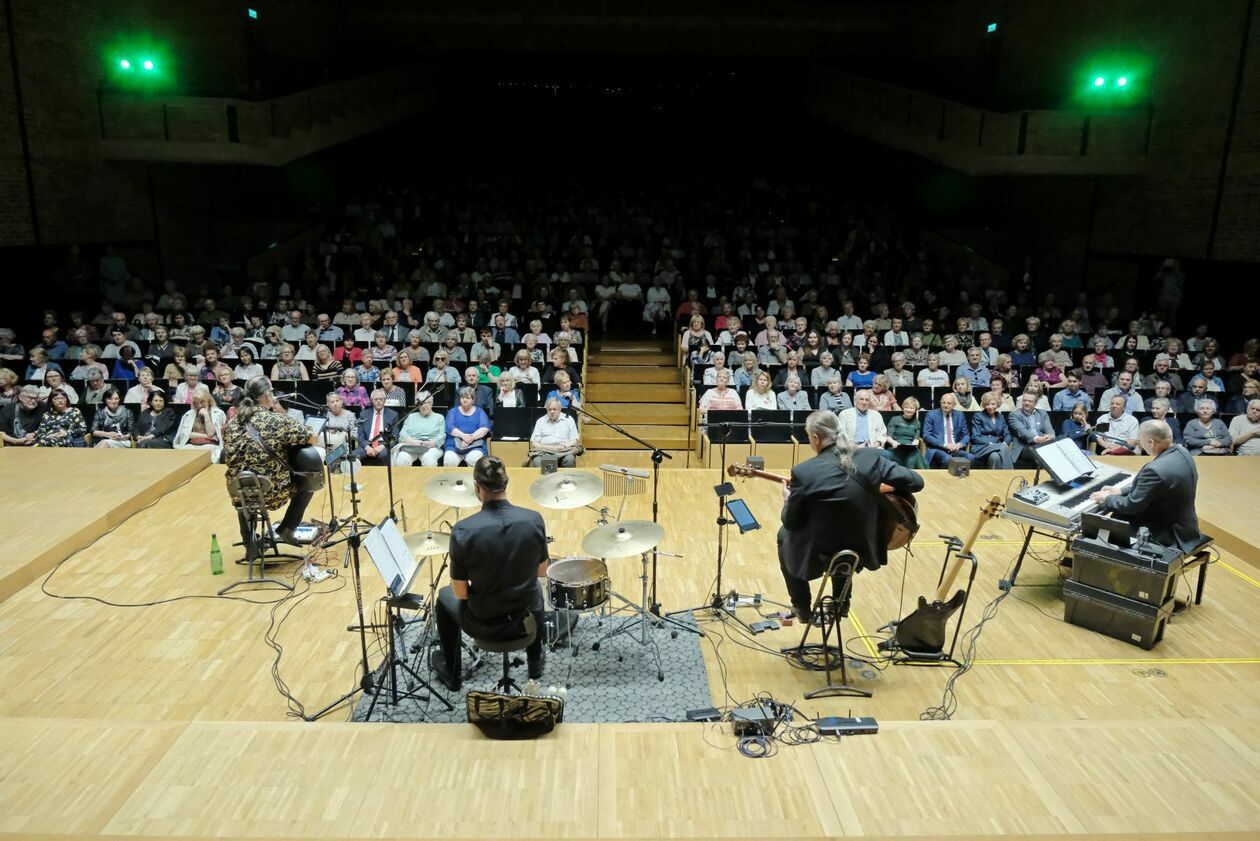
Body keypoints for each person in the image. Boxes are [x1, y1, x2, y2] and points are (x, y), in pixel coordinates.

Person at [777, 410, 923, 623]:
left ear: (816, 438)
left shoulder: (804, 472)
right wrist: (878, 487)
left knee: (783, 534)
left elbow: (790, 521)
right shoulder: (871, 457)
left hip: (819, 554)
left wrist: (787, 499)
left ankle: (801, 606)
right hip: (863, 547)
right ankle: (841, 602)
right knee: (845, 533)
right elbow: (916, 482)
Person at [432, 455, 549, 690]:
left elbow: (461, 592)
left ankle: (452, 674)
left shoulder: (463, 530)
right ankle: (535, 664)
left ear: (477, 486)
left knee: (443, 599)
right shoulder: (533, 520)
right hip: (525, 618)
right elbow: (541, 571)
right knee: (535, 589)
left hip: (483, 623)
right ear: (506, 482)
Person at [222, 376, 321, 552]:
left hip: (238, 492)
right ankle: (286, 529)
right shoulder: (277, 420)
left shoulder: (231, 424)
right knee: (309, 482)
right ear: (268, 395)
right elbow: (312, 438)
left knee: (246, 489)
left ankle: (250, 543)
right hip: (271, 491)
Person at [1090, 420, 1201, 552]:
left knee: (1099, 527)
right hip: (1186, 528)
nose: (1140, 444)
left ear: (1151, 443)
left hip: (1165, 533)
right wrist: (1120, 491)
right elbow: (1157, 488)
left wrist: (1107, 498)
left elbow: (1131, 505)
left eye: (1140, 441)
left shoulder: (1155, 469)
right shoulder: (1182, 452)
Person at [174, 384, 227, 462]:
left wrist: (206, 415)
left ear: (208, 400)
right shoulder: (188, 414)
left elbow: (210, 433)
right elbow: (187, 434)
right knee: (183, 456)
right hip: (191, 445)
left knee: (207, 456)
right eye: (196, 403)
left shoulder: (219, 413)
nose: (199, 405)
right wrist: (205, 435)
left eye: (202, 402)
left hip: (210, 445)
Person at [393, 393, 446, 467]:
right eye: (420, 404)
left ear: (431, 403)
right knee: (402, 458)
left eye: (426, 403)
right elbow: (402, 434)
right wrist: (411, 441)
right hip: (412, 446)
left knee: (429, 459)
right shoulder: (411, 417)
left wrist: (433, 443)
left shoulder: (439, 417)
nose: (423, 406)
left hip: (431, 447)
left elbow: (442, 436)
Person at [922, 392, 973, 469]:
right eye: (943, 403)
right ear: (940, 403)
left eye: (949, 403)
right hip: (938, 448)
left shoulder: (960, 415)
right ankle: (944, 480)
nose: (946, 405)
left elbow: (966, 435)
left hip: (955, 448)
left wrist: (959, 445)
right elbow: (926, 436)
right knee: (948, 459)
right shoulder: (931, 415)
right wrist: (945, 445)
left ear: (954, 405)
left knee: (970, 457)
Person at [444, 386, 491, 467]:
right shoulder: (453, 412)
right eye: (462, 397)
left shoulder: (480, 412)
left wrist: (470, 438)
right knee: (449, 460)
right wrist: (464, 436)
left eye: (468, 398)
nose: (464, 400)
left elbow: (485, 428)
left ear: (473, 400)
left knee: (473, 459)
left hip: (475, 445)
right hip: (454, 445)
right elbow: (449, 427)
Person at [529, 398, 581, 467]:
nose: (552, 412)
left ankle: (565, 478)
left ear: (560, 409)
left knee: (570, 459)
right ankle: (547, 477)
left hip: (564, 451)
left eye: (554, 409)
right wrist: (548, 448)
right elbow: (534, 442)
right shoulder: (540, 421)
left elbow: (575, 440)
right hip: (545, 452)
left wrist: (563, 446)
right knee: (537, 461)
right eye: (549, 410)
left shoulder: (569, 420)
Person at [1008, 391, 1056, 467]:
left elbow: (1049, 429)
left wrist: (1050, 436)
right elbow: (1023, 432)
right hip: (1024, 446)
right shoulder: (1014, 415)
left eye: (1030, 401)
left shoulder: (1042, 413)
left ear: (1036, 403)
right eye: (1024, 400)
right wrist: (1038, 439)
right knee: (1042, 451)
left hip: (1043, 443)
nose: (1026, 403)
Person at [354, 389, 399, 466]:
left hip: (384, 444)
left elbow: (395, 436)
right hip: (367, 444)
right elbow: (360, 437)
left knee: (383, 455)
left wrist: (381, 447)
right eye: (376, 399)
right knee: (354, 456)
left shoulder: (393, 415)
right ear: (372, 401)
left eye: (381, 399)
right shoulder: (363, 414)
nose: (378, 401)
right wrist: (367, 448)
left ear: (384, 400)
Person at [970, 392, 1015, 469]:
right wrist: (991, 443)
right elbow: (975, 437)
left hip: (997, 448)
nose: (990, 407)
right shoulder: (978, 416)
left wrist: (1005, 442)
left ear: (997, 404)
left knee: (995, 456)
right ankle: (1011, 475)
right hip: (981, 448)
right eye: (987, 404)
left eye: (993, 404)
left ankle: (995, 479)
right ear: (984, 405)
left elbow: (1007, 434)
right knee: (1003, 447)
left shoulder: (1001, 417)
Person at [886, 395, 926, 469]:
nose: (908, 410)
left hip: (910, 449)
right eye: (906, 407)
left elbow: (916, 439)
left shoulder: (917, 422)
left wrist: (915, 443)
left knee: (913, 457)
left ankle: (912, 477)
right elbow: (888, 437)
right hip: (896, 447)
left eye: (911, 408)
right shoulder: (895, 419)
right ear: (903, 408)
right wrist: (893, 442)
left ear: (915, 410)